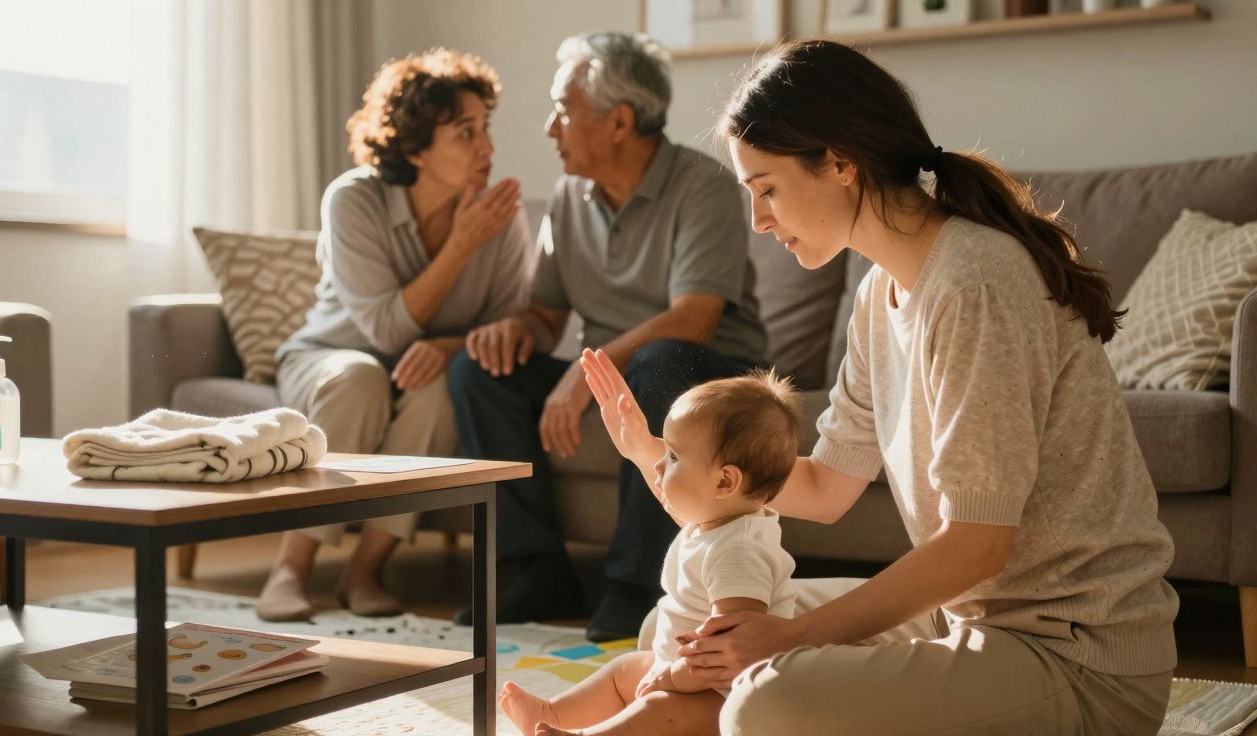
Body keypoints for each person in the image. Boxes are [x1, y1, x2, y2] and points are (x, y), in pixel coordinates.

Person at [535, 40, 1180, 736]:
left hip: (1075, 655)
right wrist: (651, 453)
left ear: (840, 162)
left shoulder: (975, 281)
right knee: (686, 624)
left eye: (767, 190)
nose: (759, 221)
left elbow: (977, 545)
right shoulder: (882, 295)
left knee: (764, 695)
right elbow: (822, 488)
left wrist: (788, 639)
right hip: (965, 616)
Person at [447, 31, 767, 642]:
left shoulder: (704, 187)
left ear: (619, 121)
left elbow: (693, 318)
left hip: (707, 373)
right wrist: (512, 330)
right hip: (614, 372)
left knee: (659, 360)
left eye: (564, 110)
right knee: (477, 371)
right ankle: (535, 569)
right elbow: (544, 314)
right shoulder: (569, 198)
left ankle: (637, 585)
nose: (549, 127)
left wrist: (578, 374)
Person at [256, 48, 532, 622]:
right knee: (361, 376)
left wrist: (447, 347)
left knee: (446, 387)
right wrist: (461, 245)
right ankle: (292, 566)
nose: (487, 147)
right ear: (413, 146)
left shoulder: (500, 214)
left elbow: (505, 326)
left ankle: (365, 569)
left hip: (429, 366)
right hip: (331, 357)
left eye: (485, 128)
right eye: (465, 132)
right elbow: (384, 327)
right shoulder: (353, 199)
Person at [498, 359, 801, 735]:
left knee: (658, 709)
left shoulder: (739, 553)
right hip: (689, 675)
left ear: (725, 482)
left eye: (673, 457)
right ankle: (552, 714)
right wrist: (637, 444)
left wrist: (672, 680)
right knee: (624, 670)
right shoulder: (717, 526)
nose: (659, 467)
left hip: (727, 697)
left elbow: (728, 650)